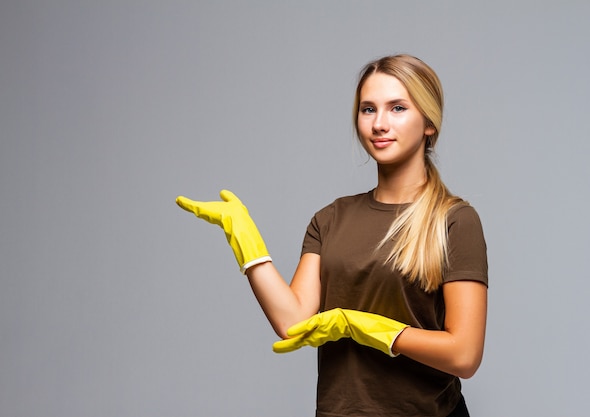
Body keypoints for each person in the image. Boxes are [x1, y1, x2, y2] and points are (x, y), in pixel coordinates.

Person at [176, 54, 488, 417]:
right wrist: (248, 242)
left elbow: (464, 356)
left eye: (398, 108)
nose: (379, 124)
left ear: (429, 123)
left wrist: (365, 326)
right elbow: (293, 322)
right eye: (368, 109)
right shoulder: (330, 219)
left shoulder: (454, 221)